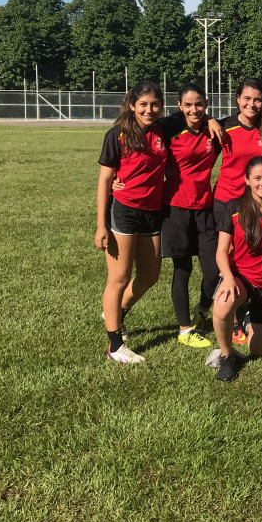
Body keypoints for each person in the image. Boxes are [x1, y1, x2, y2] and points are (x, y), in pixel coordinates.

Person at [96, 81, 168, 364]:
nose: (149, 110)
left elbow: (193, 115)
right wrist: (101, 224)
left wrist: (210, 120)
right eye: (143, 105)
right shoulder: (117, 134)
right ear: (132, 105)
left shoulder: (163, 130)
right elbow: (105, 180)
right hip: (124, 210)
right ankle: (115, 344)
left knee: (150, 275)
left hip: (152, 212)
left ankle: (117, 313)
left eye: (155, 104)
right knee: (119, 278)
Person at [213, 78, 262, 346]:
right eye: (247, 98)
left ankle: (255, 309)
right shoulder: (223, 126)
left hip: (259, 202)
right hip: (227, 202)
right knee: (226, 260)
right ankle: (232, 319)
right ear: (237, 99)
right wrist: (208, 119)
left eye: (258, 99)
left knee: (258, 253)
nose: (252, 104)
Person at [212, 156, 262, 381]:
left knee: (259, 351)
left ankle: (248, 322)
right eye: (257, 178)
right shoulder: (233, 207)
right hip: (242, 277)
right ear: (247, 180)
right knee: (222, 305)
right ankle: (227, 356)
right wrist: (228, 278)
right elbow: (221, 251)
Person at [157, 83, 224, 349]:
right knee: (183, 269)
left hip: (205, 208)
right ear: (179, 106)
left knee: (213, 270)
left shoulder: (213, 131)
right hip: (175, 207)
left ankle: (203, 310)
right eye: (188, 105)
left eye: (199, 104)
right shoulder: (169, 130)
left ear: (206, 104)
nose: (193, 109)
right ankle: (185, 329)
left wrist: (212, 119)